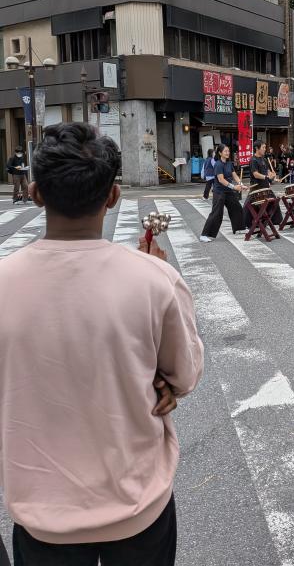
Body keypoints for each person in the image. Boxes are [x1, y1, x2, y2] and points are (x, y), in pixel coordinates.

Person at [0, 123, 203, 566]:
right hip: (137, 504)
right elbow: (184, 375)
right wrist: (159, 382)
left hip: (43, 514)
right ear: (113, 196)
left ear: (35, 193)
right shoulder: (155, 278)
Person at [200, 143, 248, 241]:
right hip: (219, 192)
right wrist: (234, 187)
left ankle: (239, 228)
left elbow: (234, 175)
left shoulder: (229, 163)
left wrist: (241, 184)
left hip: (228, 191)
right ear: (220, 153)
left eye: (228, 151)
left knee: (236, 207)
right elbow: (221, 180)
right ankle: (204, 235)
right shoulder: (218, 164)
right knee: (217, 213)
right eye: (225, 151)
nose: (228, 153)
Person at [243, 140, 283, 227]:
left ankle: (273, 221)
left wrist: (272, 175)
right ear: (257, 148)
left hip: (265, 186)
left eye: (265, 147)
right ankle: (250, 223)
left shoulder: (264, 159)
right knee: (250, 207)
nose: (265, 149)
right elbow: (255, 174)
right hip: (256, 187)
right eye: (263, 147)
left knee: (273, 202)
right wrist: (266, 177)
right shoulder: (253, 160)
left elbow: (267, 171)